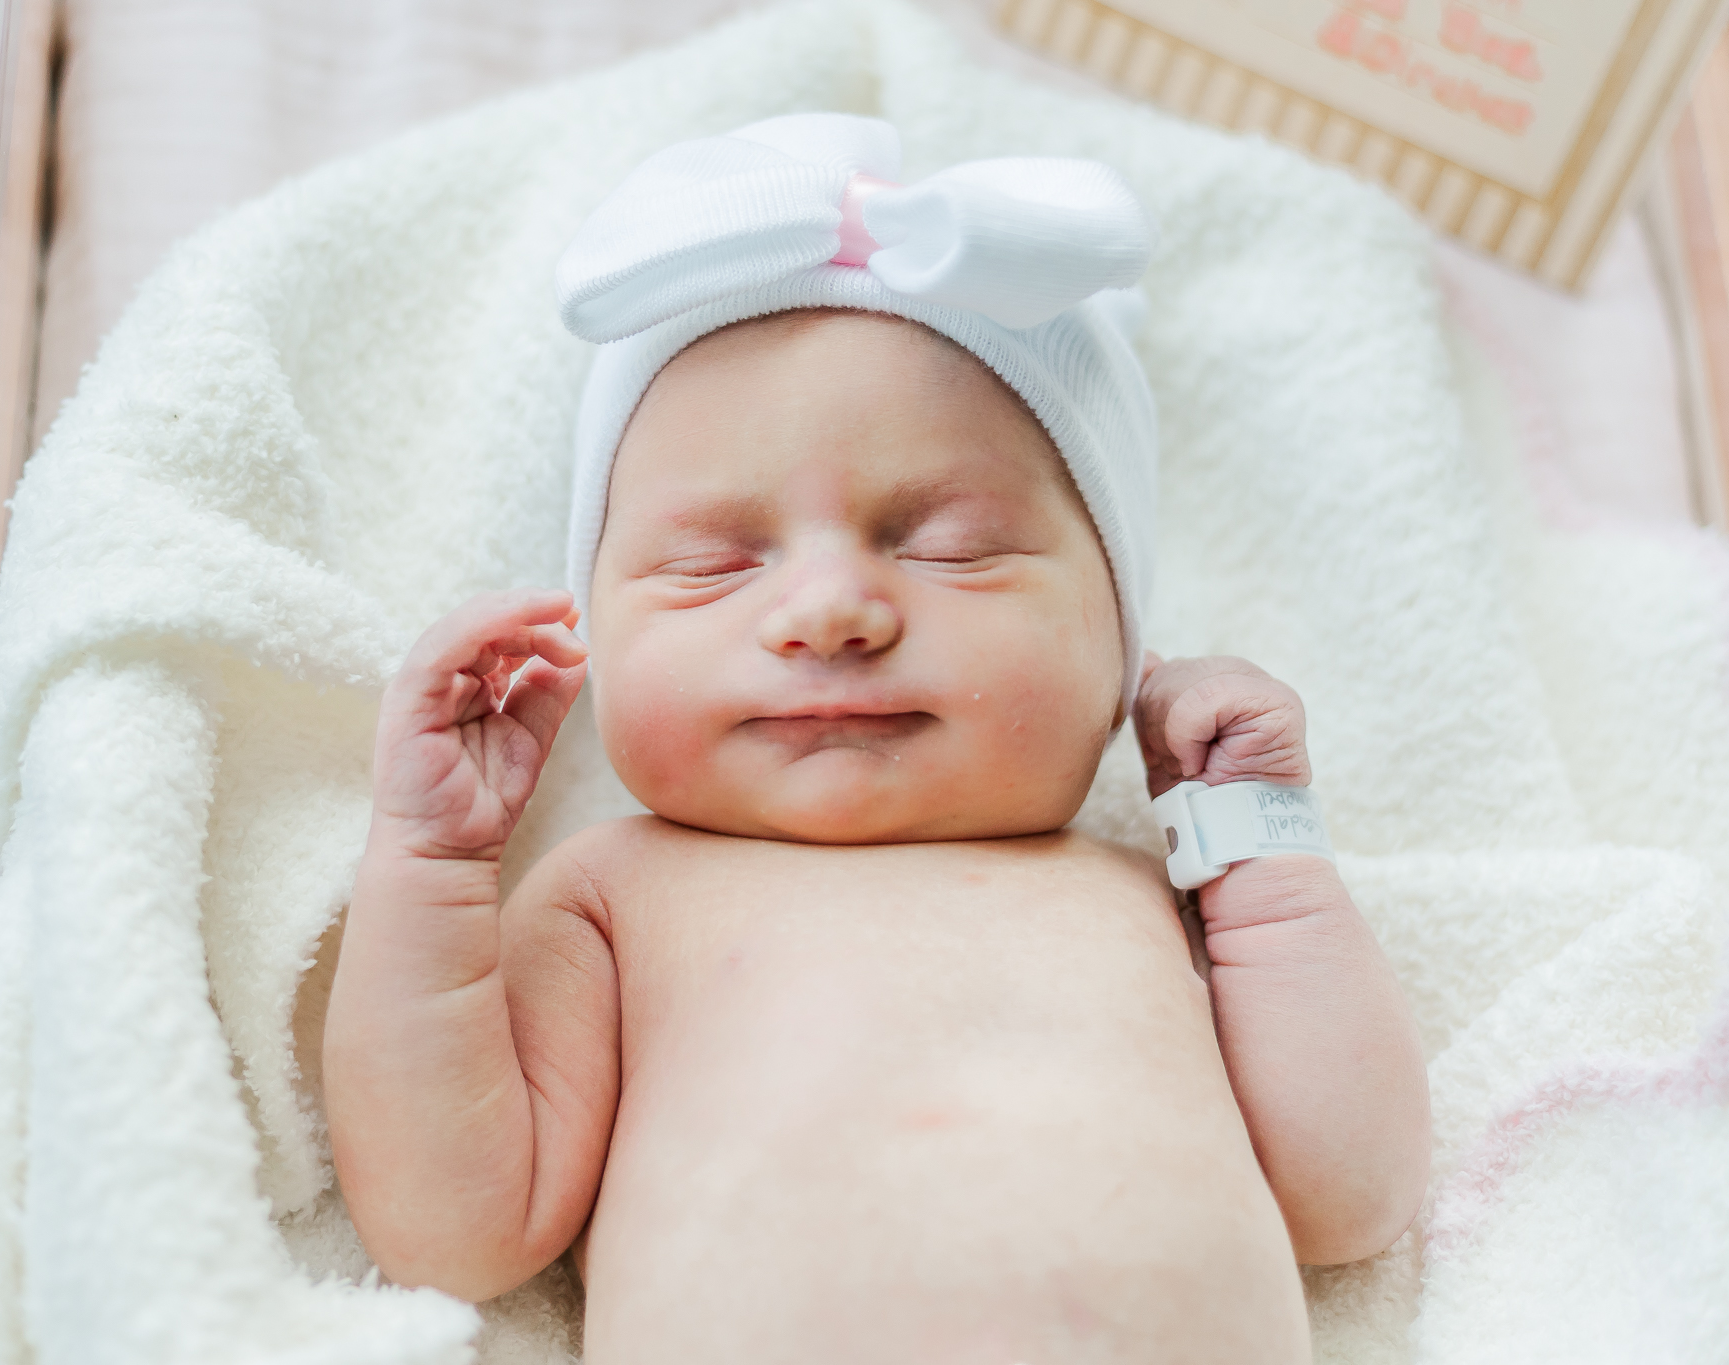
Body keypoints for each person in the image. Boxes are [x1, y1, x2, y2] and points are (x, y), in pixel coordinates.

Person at [324, 113, 1428, 1363]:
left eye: (948, 547)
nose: (827, 611)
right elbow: (454, 1231)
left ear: (1116, 630)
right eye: (711, 565)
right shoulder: (612, 896)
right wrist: (430, 862)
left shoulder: (1143, 893)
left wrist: (1258, 847)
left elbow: (1350, 1196)